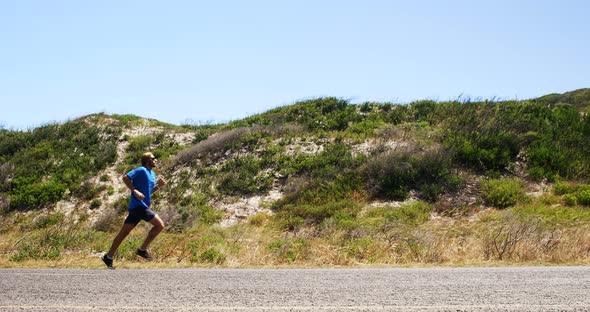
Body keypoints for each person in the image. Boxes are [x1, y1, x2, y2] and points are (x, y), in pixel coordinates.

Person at [102, 152, 167, 269]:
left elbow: (148, 193)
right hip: (139, 206)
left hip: (140, 206)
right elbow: (125, 177)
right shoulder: (141, 170)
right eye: (153, 158)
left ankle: (108, 257)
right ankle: (142, 249)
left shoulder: (152, 174)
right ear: (147, 161)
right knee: (160, 225)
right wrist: (135, 191)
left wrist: (159, 186)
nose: (156, 160)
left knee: (124, 233)